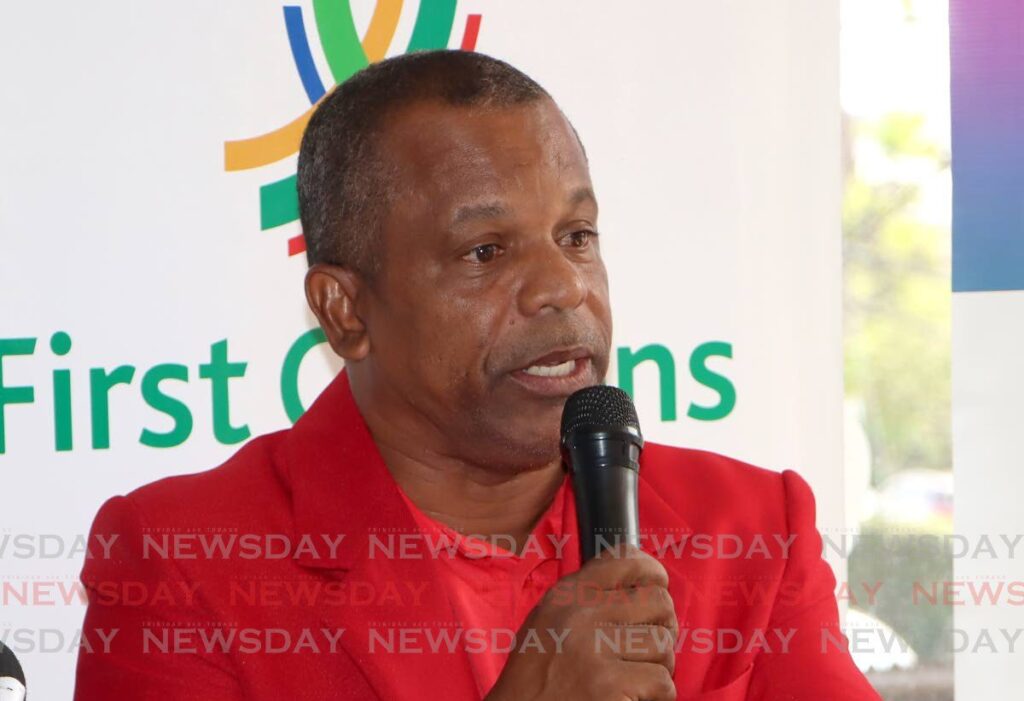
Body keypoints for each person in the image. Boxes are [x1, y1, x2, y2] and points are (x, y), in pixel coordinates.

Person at [73, 50, 880, 700]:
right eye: (485, 251)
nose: (564, 287)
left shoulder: (750, 529)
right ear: (345, 310)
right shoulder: (182, 562)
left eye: (577, 235)